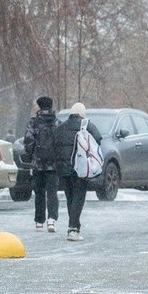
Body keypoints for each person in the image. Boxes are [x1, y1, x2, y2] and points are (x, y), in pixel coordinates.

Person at [54, 102, 101, 241]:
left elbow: (54, 145)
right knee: (79, 197)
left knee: (70, 197)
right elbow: (98, 140)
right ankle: (73, 228)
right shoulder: (87, 125)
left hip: (63, 168)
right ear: (82, 113)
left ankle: (74, 226)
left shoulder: (60, 127)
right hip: (80, 168)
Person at [24, 96, 58, 232]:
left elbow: (28, 140)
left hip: (38, 164)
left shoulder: (34, 122)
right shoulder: (57, 122)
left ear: (39, 106)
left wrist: (30, 157)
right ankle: (51, 220)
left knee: (39, 192)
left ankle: (39, 221)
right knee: (52, 192)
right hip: (53, 164)